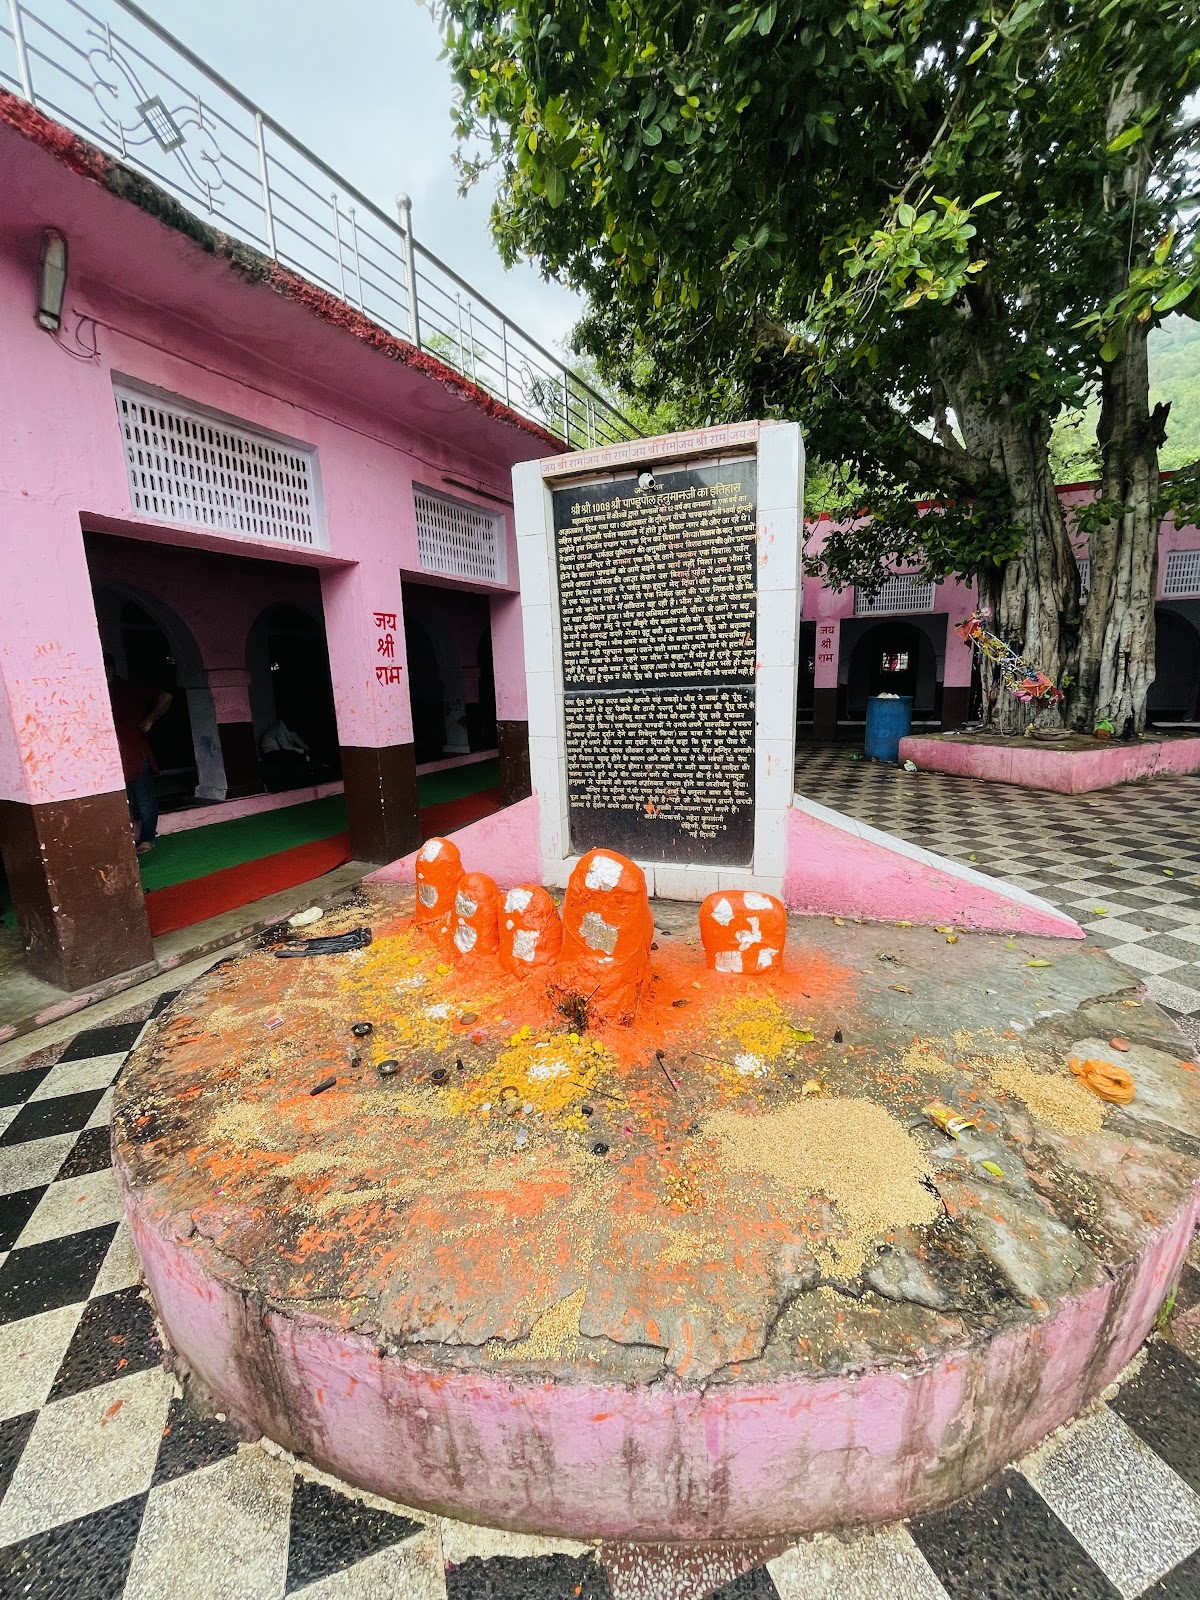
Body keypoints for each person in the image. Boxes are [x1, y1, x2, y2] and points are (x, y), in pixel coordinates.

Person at [105, 654, 172, 854]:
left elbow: (166, 696)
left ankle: (147, 839)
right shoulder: (94, 691)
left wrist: (149, 720)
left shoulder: (126, 688)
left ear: (109, 668)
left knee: (143, 798)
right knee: (123, 800)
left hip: (134, 751)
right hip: (109, 755)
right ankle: (123, 840)